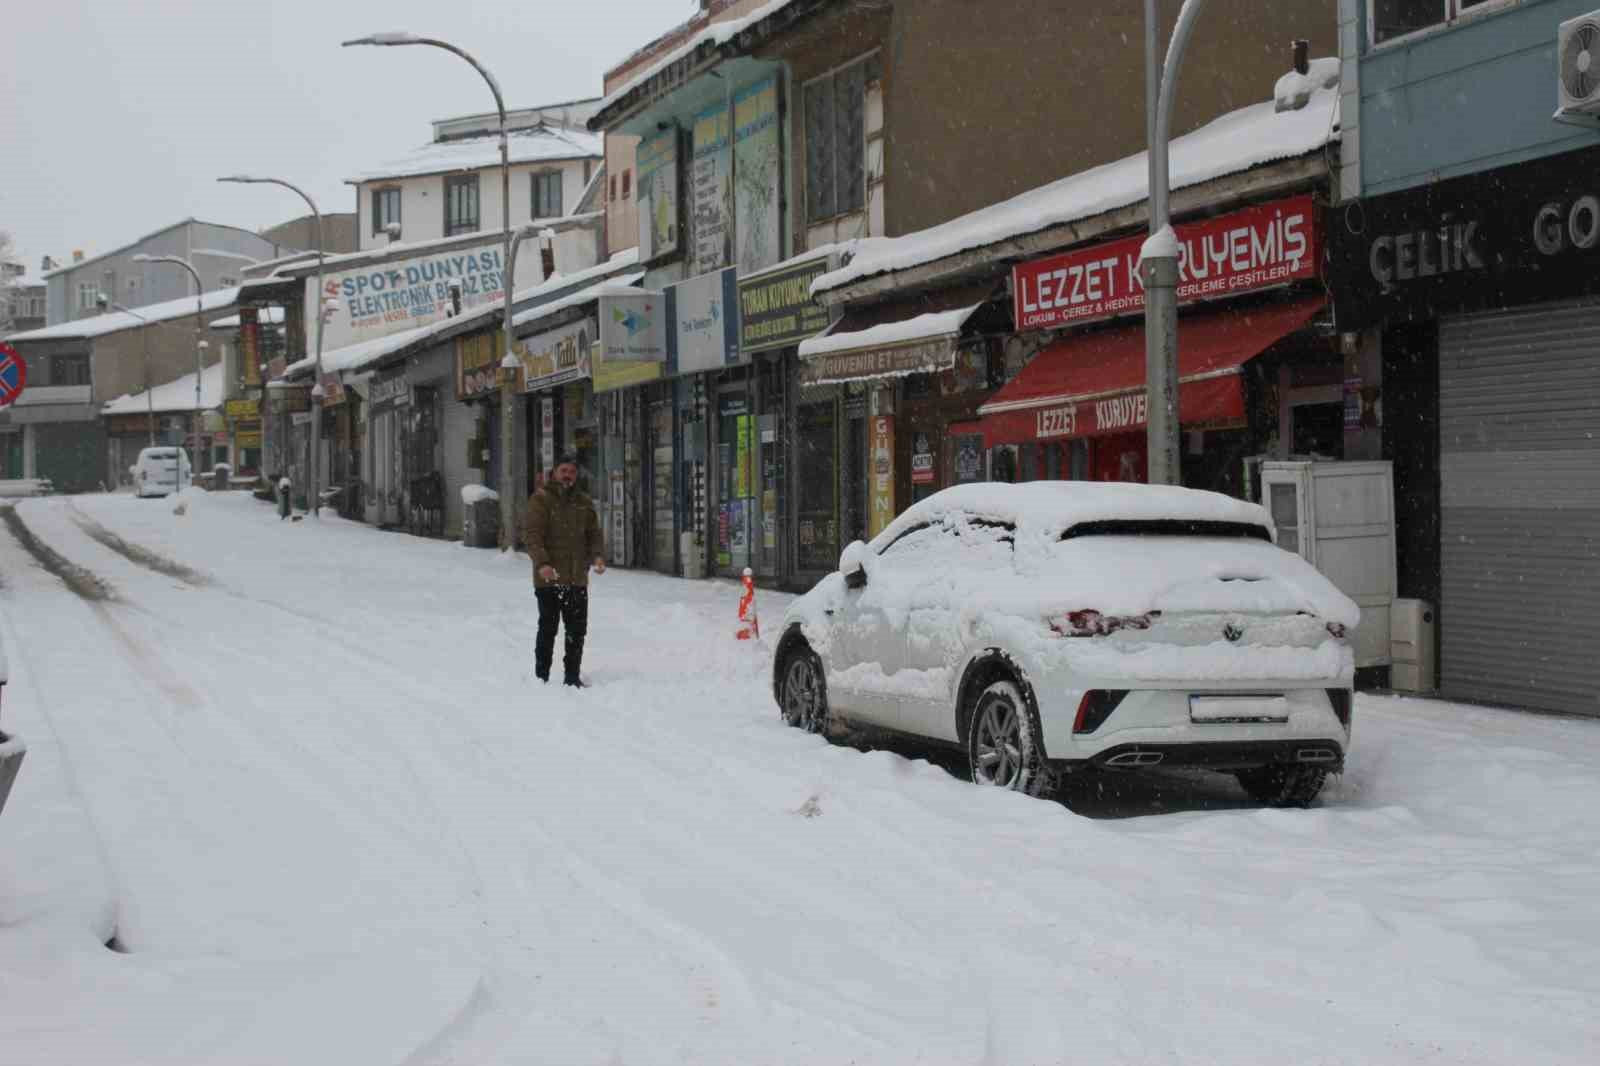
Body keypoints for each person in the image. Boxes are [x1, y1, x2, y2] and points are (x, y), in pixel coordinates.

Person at [524, 454, 606, 687]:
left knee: (576, 631)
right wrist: (542, 564)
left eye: (571, 471)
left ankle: (572, 677)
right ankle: (542, 677)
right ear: (554, 473)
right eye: (563, 471)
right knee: (548, 629)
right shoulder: (541, 500)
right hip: (549, 578)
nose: (567, 475)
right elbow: (532, 536)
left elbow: (593, 534)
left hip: (577, 577)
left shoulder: (584, 501)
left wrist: (598, 555)